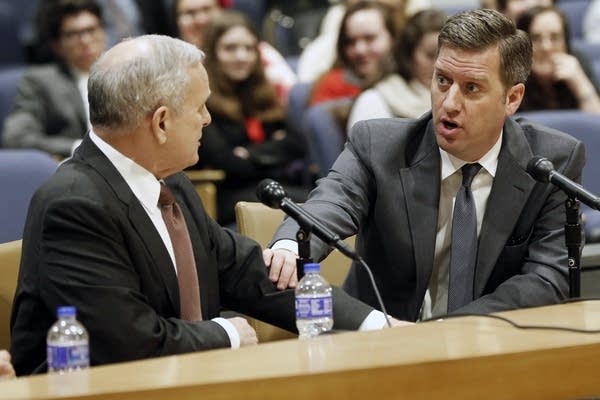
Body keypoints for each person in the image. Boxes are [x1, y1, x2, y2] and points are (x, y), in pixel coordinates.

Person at [9, 34, 396, 377]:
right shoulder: (74, 205)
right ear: (161, 123)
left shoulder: (168, 180)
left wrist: (378, 327)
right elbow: (129, 342)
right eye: (199, 108)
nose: (208, 120)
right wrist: (226, 332)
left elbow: (248, 273)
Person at [264, 9, 584, 322]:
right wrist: (292, 244)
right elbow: (331, 204)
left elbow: (547, 278)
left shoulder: (549, 162)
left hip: (492, 345)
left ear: (512, 99)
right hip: (385, 344)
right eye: (442, 81)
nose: (449, 103)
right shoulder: (379, 146)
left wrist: (448, 331)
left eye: (471, 88)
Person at [192, 10, 310, 226]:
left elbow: (297, 143)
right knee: (311, 203)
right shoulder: (203, 99)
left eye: (248, 48)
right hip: (228, 197)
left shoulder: (262, 93)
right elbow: (226, 161)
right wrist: (274, 147)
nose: (241, 56)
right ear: (213, 52)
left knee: (317, 199)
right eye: (230, 48)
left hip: (271, 187)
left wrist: (249, 154)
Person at [2, 0, 107, 157]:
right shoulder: (40, 82)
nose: (85, 41)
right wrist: (78, 147)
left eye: (91, 30)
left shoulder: (128, 73)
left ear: (103, 32)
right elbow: (16, 137)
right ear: (57, 45)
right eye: (72, 34)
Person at [172, 0, 296, 104]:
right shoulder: (172, 63)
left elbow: (291, 97)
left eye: (207, 9)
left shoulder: (262, 54)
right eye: (190, 12)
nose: (201, 19)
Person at [347, 8, 447, 130]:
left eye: (446, 56)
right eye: (430, 55)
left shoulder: (457, 103)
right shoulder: (373, 101)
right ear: (408, 56)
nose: (439, 64)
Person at [516, 6, 600, 113]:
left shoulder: (578, 61)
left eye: (555, 38)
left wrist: (580, 83)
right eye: (536, 38)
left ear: (566, 44)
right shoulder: (511, 76)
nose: (546, 47)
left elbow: (596, 124)